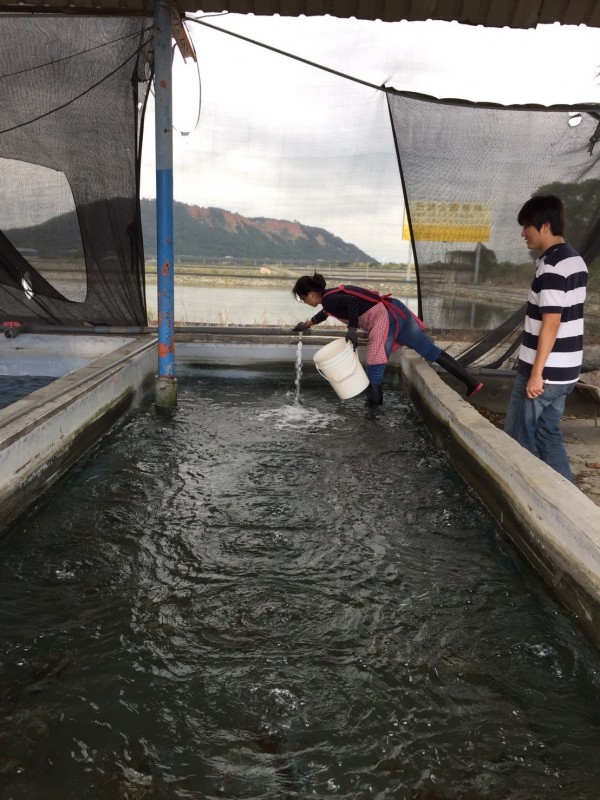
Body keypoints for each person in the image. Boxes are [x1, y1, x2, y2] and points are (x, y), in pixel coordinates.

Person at [291, 273, 483, 406]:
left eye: (303, 299)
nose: (306, 302)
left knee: (375, 363)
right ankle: (472, 383)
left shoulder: (330, 299)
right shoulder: (330, 297)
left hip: (384, 318)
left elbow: (352, 303)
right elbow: (326, 313)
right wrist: (307, 325)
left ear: (309, 294)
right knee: (430, 351)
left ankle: (373, 416)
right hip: (397, 312)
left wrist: (351, 330)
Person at [504, 194, 587, 482]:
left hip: (543, 372)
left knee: (517, 439)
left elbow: (551, 323)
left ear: (545, 225)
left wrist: (536, 373)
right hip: (566, 371)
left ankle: (520, 497)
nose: (523, 233)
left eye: (527, 226)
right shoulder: (575, 260)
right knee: (547, 432)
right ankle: (566, 495)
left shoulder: (552, 266)